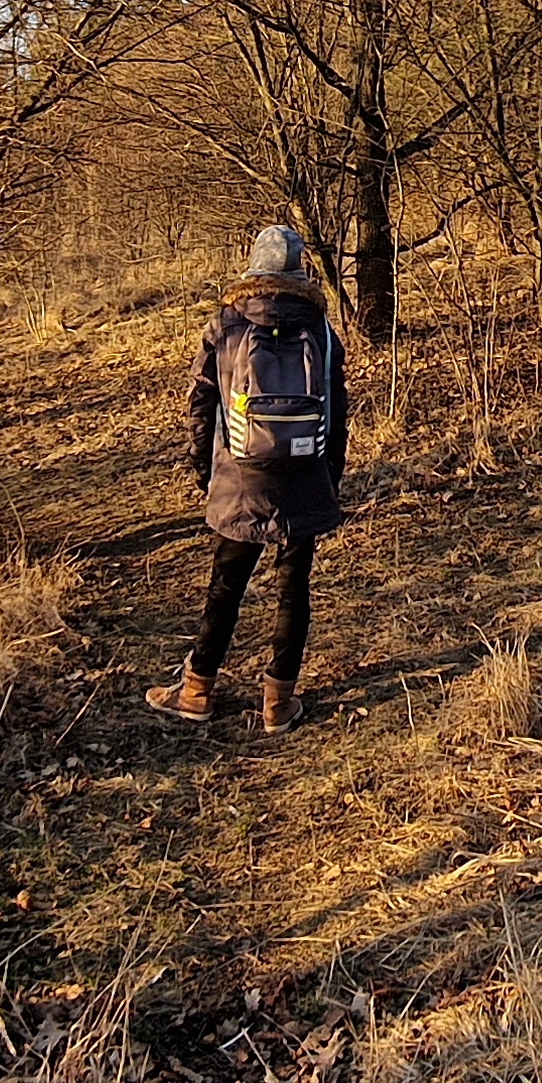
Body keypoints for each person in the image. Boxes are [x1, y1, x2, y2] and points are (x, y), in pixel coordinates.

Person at [148, 222, 349, 733]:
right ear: (300, 268)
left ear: (253, 265)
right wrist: (329, 476)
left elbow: (201, 403)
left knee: (226, 584)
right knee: (293, 589)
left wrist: (205, 471)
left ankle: (196, 691)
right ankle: (278, 703)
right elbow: (337, 412)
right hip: (306, 472)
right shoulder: (323, 331)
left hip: (240, 475)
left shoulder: (227, 325)